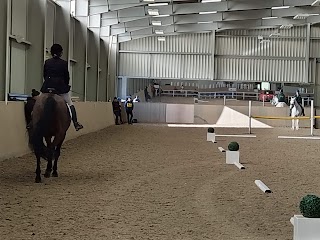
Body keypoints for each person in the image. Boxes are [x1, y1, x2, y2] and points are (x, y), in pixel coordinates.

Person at [40, 43, 83, 131]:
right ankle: (75, 123)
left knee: (39, 102)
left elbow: (44, 75)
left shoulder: (47, 62)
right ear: (60, 53)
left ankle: (32, 122)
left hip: (47, 87)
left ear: (51, 52)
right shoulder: (64, 63)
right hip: (60, 89)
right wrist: (65, 85)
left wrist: (49, 82)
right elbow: (66, 77)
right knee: (70, 104)